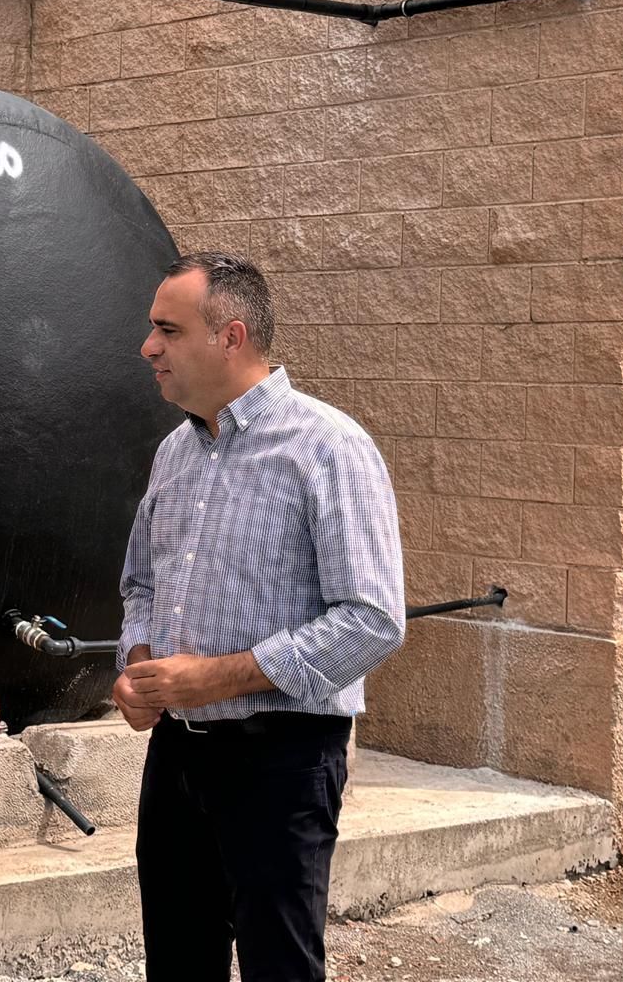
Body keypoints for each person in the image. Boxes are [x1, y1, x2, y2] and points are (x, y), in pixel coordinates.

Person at [111, 251, 406, 982]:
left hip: (283, 761)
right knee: (177, 964)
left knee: (280, 968)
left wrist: (219, 678)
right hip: (176, 757)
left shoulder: (330, 448)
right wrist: (138, 664)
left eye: (168, 330)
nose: (148, 348)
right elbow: (140, 582)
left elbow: (372, 619)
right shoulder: (174, 453)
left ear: (230, 337)